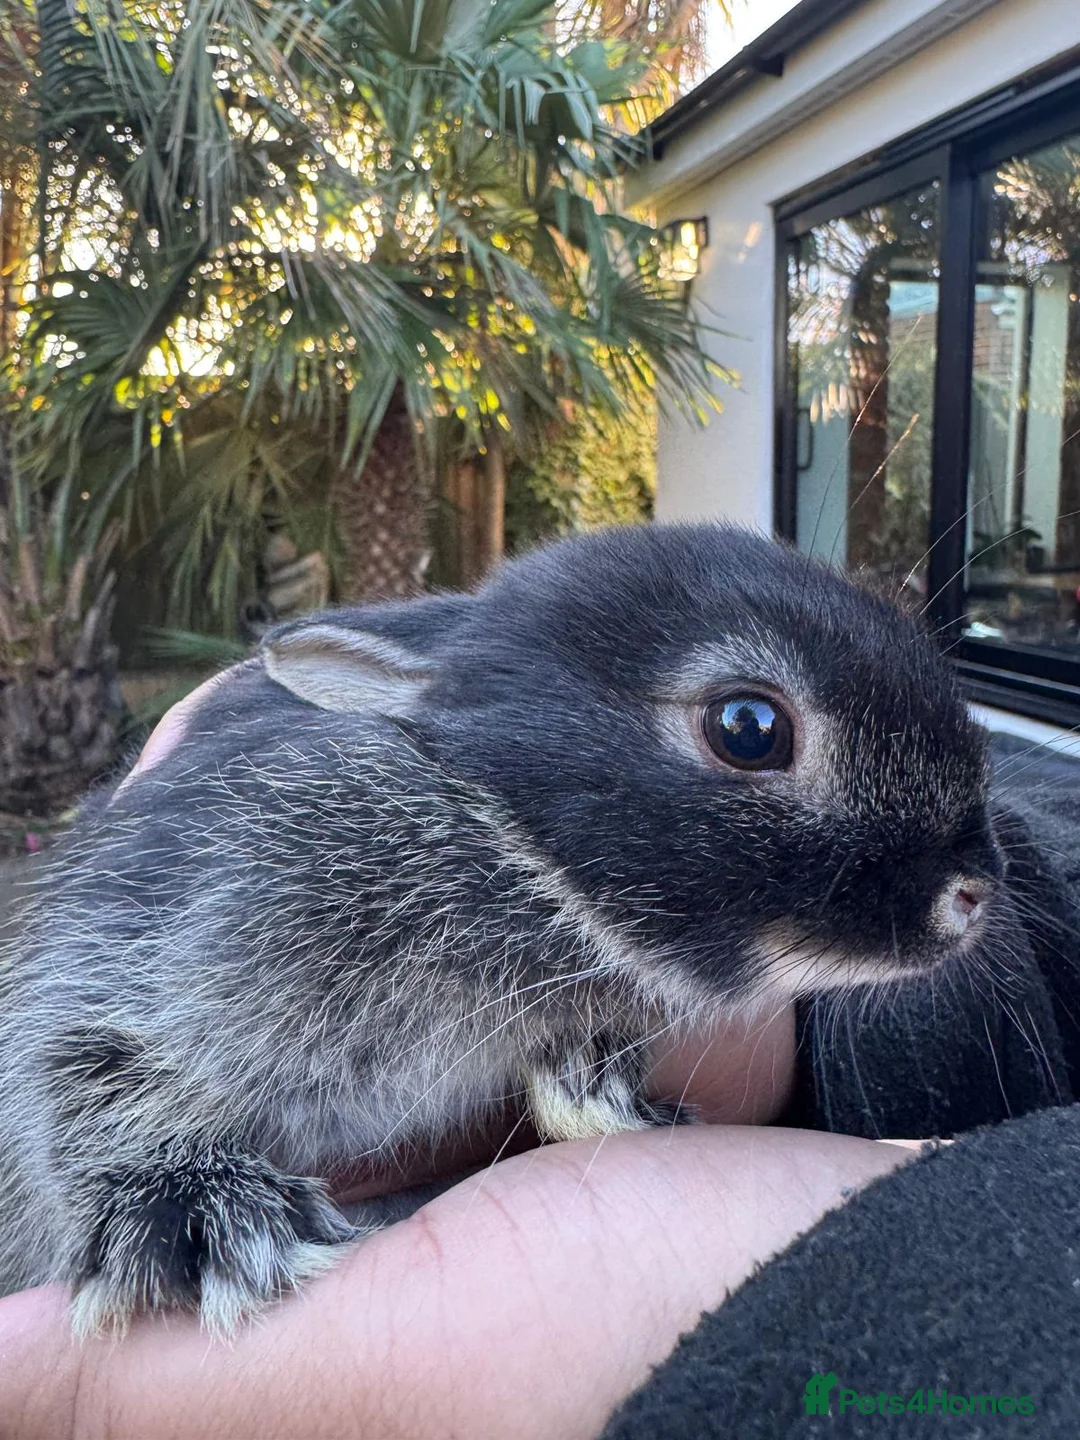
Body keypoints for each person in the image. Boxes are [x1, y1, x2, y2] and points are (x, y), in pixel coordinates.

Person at [1, 694, 1078, 1438]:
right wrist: (141, 1170)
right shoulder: (333, 840)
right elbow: (95, 1020)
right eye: (747, 732)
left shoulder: (626, 944)